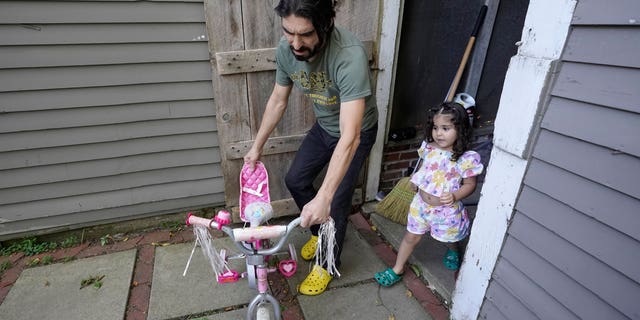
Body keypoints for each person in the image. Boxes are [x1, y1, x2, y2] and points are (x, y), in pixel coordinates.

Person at [243, 0, 378, 296]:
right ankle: (320, 233)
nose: (295, 43)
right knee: (296, 180)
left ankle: (326, 264)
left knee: (336, 203)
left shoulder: (348, 56)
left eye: (304, 34)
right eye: (288, 32)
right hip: (325, 127)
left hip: (356, 132)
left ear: (324, 26)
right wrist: (257, 147)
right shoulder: (287, 48)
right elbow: (278, 99)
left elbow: (350, 137)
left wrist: (325, 197)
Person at [374, 102, 483, 287]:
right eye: (435, 127)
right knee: (411, 237)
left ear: (461, 129)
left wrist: (456, 195)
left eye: (445, 128)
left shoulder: (466, 158)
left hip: (445, 210)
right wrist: (418, 182)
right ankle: (397, 268)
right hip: (421, 207)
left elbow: (470, 185)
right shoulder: (429, 147)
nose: (438, 133)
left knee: (449, 237)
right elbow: (427, 168)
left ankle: (453, 250)